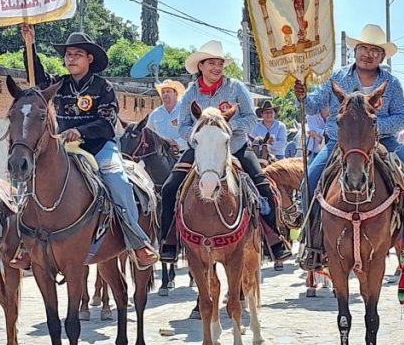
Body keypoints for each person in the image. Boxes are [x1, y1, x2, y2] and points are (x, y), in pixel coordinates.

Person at [294, 24, 404, 270]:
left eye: (375, 51)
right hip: (340, 143)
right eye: (364, 49)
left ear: (382, 56)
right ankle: (312, 244)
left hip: (384, 142)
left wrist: (370, 125)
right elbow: (314, 106)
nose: (368, 54)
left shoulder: (392, 82)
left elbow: (400, 117)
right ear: (356, 51)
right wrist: (302, 94)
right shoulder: (337, 78)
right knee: (309, 182)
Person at [21, 25, 159, 268]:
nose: (71, 59)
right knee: (30, 179)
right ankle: (25, 242)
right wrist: (29, 45)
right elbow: (38, 77)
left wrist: (80, 131)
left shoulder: (103, 87)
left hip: (99, 148)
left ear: (89, 58)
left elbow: (107, 123)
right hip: (65, 148)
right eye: (68, 55)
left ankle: (137, 241)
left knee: (118, 180)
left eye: (77, 55)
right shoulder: (59, 84)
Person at [158, 40, 292, 263]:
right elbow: (182, 125)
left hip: (235, 147)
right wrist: (201, 134)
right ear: (201, 66)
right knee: (170, 187)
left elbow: (250, 118)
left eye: (219, 63)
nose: (216, 67)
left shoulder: (236, 88)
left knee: (264, 186)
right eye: (211, 63)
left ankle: (273, 238)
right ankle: (168, 241)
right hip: (200, 150)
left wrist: (226, 127)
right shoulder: (191, 93)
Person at [146, 79, 187, 151]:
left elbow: (191, 134)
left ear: (176, 94)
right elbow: (148, 133)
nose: (165, 94)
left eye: (168, 91)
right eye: (163, 92)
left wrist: (176, 142)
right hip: (160, 156)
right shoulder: (155, 114)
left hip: (181, 154)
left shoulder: (185, 111)